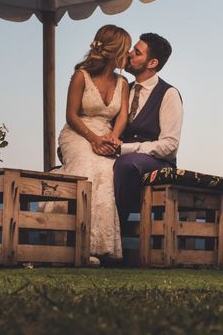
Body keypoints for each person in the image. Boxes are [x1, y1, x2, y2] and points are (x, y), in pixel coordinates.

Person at [53, 24, 131, 262]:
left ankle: (100, 247)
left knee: (108, 171)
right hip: (79, 133)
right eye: (126, 49)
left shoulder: (123, 82)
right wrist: (93, 139)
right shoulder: (81, 76)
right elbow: (71, 115)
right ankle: (76, 246)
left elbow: (123, 116)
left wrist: (113, 138)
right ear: (114, 51)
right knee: (88, 167)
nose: (128, 55)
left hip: (107, 136)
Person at [112, 33, 182, 231]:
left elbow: (170, 146)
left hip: (158, 161)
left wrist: (127, 149)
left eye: (137, 52)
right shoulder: (125, 88)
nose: (129, 54)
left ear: (152, 63)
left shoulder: (169, 94)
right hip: (121, 155)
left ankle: (116, 236)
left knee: (126, 165)